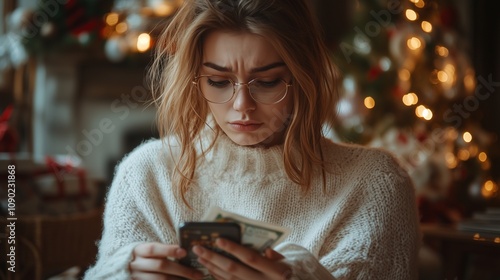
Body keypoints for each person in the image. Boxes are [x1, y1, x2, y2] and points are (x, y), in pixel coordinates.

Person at [84, 0, 420, 279]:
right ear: (194, 80)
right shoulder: (146, 174)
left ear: (303, 78)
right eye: (218, 81)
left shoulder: (375, 183)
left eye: (268, 81)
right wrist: (117, 273)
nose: (242, 107)